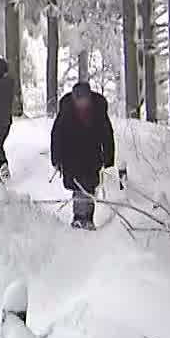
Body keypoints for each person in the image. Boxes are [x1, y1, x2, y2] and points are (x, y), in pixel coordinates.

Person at [50, 80, 117, 229]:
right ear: (74, 99)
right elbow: (57, 135)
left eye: (84, 99)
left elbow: (107, 135)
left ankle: (87, 217)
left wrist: (109, 158)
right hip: (71, 157)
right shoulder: (66, 110)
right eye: (79, 99)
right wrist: (56, 158)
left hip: (91, 156)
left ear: (89, 98)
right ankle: (79, 217)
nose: (82, 103)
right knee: (77, 188)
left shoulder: (98, 109)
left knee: (89, 187)